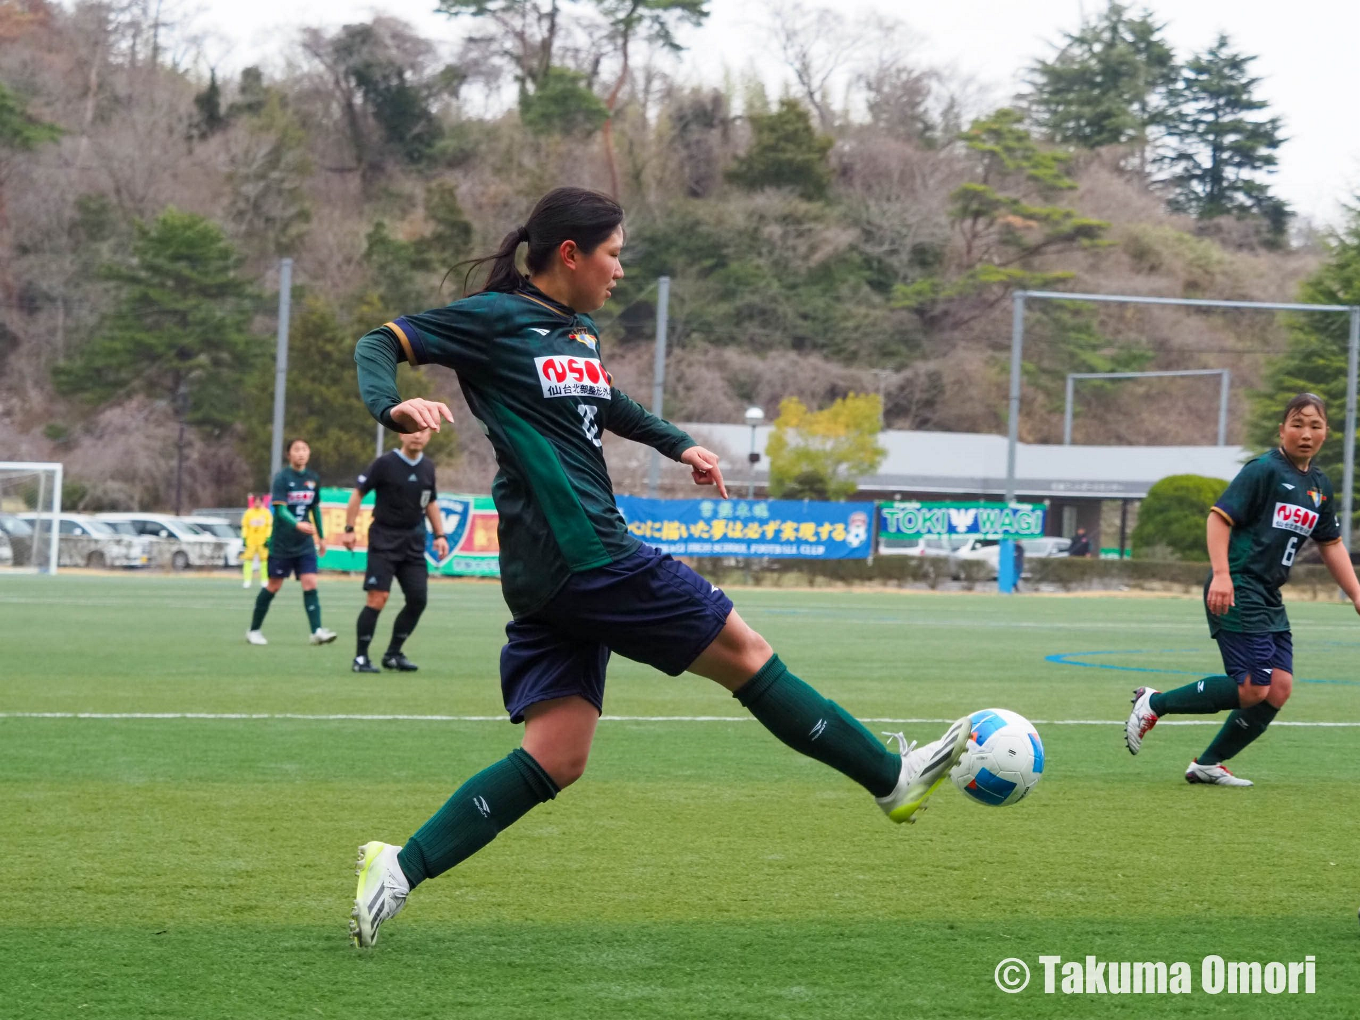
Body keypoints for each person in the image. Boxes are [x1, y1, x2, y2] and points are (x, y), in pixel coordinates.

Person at [347, 186, 970, 948]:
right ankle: (889, 779)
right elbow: (377, 343)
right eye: (613, 254)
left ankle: (397, 868)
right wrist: (391, 406)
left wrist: (680, 444)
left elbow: (609, 403)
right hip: (589, 555)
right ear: (570, 254)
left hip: (551, 573)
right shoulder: (496, 320)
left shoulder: (577, 334)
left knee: (557, 757)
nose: (619, 269)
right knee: (746, 653)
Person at [1125, 393, 1360, 785]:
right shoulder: (1264, 470)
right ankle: (1154, 703)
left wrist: (1355, 592)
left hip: (1269, 595)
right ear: (1281, 430)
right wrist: (1221, 574)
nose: (1306, 433)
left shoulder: (1319, 486)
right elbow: (1218, 518)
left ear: (1326, 433)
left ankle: (1207, 764)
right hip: (1237, 586)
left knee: (1278, 689)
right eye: (1297, 424)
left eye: (1315, 426)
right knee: (1253, 688)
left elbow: (1331, 544)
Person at [341, 428, 450, 673]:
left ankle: (393, 654)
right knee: (378, 598)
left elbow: (430, 501)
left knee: (418, 600)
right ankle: (360, 658)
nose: (418, 435)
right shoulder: (384, 464)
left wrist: (440, 535)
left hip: (414, 543)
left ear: (429, 437)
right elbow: (358, 494)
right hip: (384, 540)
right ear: (401, 435)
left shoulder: (428, 468)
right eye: (412, 431)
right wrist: (349, 528)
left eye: (423, 431)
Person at [246, 438, 338, 646]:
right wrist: (297, 524)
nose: (301, 453)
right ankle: (254, 630)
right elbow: (280, 509)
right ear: (289, 454)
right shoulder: (282, 478)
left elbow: (314, 509)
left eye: (304, 449)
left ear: (309, 453)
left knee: (310, 583)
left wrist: (321, 537)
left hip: (304, 544)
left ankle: (317, 631)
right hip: (282, 543)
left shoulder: (313, 478)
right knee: (274, 585)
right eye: (296, 449)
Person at [240, 493, 273, 588]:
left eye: (259, 502)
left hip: (262, 540)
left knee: (264, 562)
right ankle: (247, 580)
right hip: (251, 540)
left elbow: (269, 526)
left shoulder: (266, 513)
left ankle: (264, 580)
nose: (257, 503)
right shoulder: (249, 513)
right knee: (248, 561)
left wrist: (268, 538)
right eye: (256, 502)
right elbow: (245, 526)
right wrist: (244, 538)